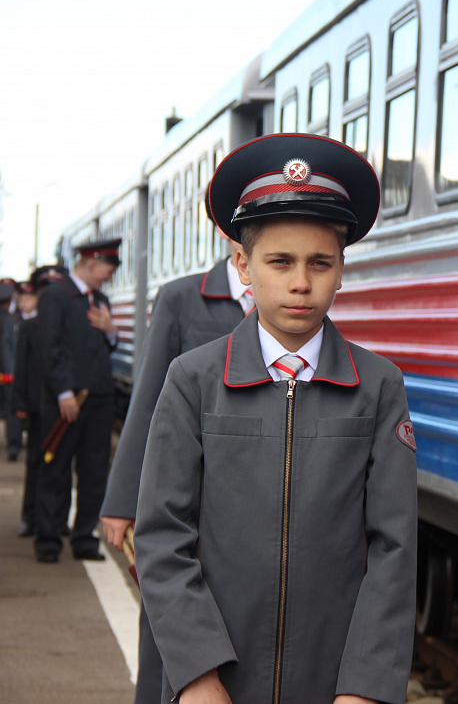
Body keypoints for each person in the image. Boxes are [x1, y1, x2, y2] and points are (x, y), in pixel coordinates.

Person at [135, 133, 417, 704]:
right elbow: (163, 535)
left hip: (331, 684)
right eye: (279, 261)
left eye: (321, 263)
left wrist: (364, 686)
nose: (300, 283)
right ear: (242, 264)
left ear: (342, 269)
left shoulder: (379, 388)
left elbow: (394, 549)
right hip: (217, 683)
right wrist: (195, 672)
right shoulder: (193, 381)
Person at [101, 225, 251, 704]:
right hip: (189, 497)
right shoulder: (183, 297)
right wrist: (123, 500)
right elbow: (147, 401)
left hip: (253, 499)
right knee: (168, 628)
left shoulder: (293, 303)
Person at [34, 240, 120, 563]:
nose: (108, 279)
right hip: (68, 399)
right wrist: (64, 392)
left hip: (99, 398)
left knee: (94, 469)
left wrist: (110, 331)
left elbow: (104, 348)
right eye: (107, 272)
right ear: (92, 264)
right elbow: (50, 347)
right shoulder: (56, 295)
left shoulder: (100, 299)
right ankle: (48, 539)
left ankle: (84, 538)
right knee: (56, 468)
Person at [12, 268, 64, 537]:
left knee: (60, 465)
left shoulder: (63, 324)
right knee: (35, 463)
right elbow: (21, 367)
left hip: (59, 404)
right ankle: (30, 518)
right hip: (35, 404)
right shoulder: (29, 327)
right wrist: (19, 401)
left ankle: (58, 519)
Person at [0, 278, 18, 463]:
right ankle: (13, 446)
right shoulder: (12, 319)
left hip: (7, 374)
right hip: (8, 374)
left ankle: (14, 445)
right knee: (11, 411)